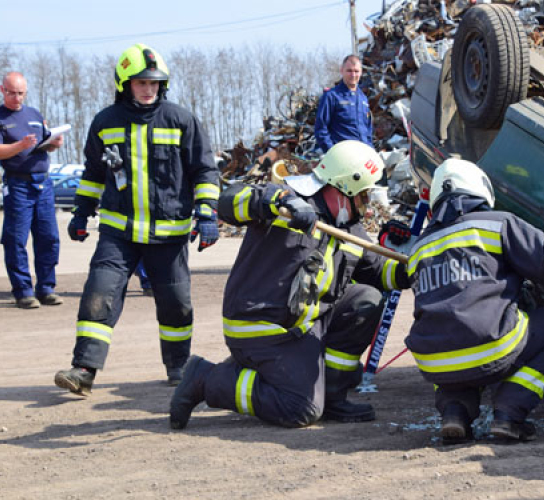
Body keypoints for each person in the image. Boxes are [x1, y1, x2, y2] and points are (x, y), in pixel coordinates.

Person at [169, 140, 409, 430]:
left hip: (302, 325)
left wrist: (415, 260)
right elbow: (229, 199)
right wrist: (280, 201)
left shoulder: (350, 230)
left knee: (366, 299)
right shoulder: (287, 201)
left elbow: (383, 272)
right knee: (301, 408)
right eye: (364, 196)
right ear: (345, 187)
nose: (367, 205)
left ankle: (332, 395)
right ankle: (207, 379)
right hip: (263, 326)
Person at [53, 44, 220, 396]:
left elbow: (204, 171)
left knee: (177, 305)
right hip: (118, 234)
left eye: (154, 83)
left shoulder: (181, 120)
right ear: (124, 84)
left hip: (169, 236)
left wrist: (207, 212)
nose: (148, 89)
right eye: (141, 82)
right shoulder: (104, 122)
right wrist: (82, 212)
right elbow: (94, 174)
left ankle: (179, 368)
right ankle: (83, 369)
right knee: (99, 295)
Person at [405, 159, 544, 443]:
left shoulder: (419, 247)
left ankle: (455, 412)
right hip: (489, 349)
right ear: (481, 189)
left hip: (433, 362)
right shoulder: (497, 224)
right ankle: (510, 412)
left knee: (451, 335)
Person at [0, 72, 65, 309]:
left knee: (49, 237)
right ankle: (23, 291)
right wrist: (20, 146)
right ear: (2, 89)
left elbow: (45, 144)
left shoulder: (35, 114)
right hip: (18, 184)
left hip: (44, 184)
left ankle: (46, 288)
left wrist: (54, 143)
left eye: (20, 93)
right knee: (16, 239)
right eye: (11, 93)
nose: (16, 98)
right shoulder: (1, 116)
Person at [314, 55, 372, 153]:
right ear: (342, 71)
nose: (353, 75)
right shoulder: (331, 96)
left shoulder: (363, 99)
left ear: (361, 72)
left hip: (362, 156)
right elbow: (321, 129)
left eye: (356, 71)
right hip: (341, 156)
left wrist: (371, 153)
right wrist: (332, 152)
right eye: (349, 71)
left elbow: (368, 132)